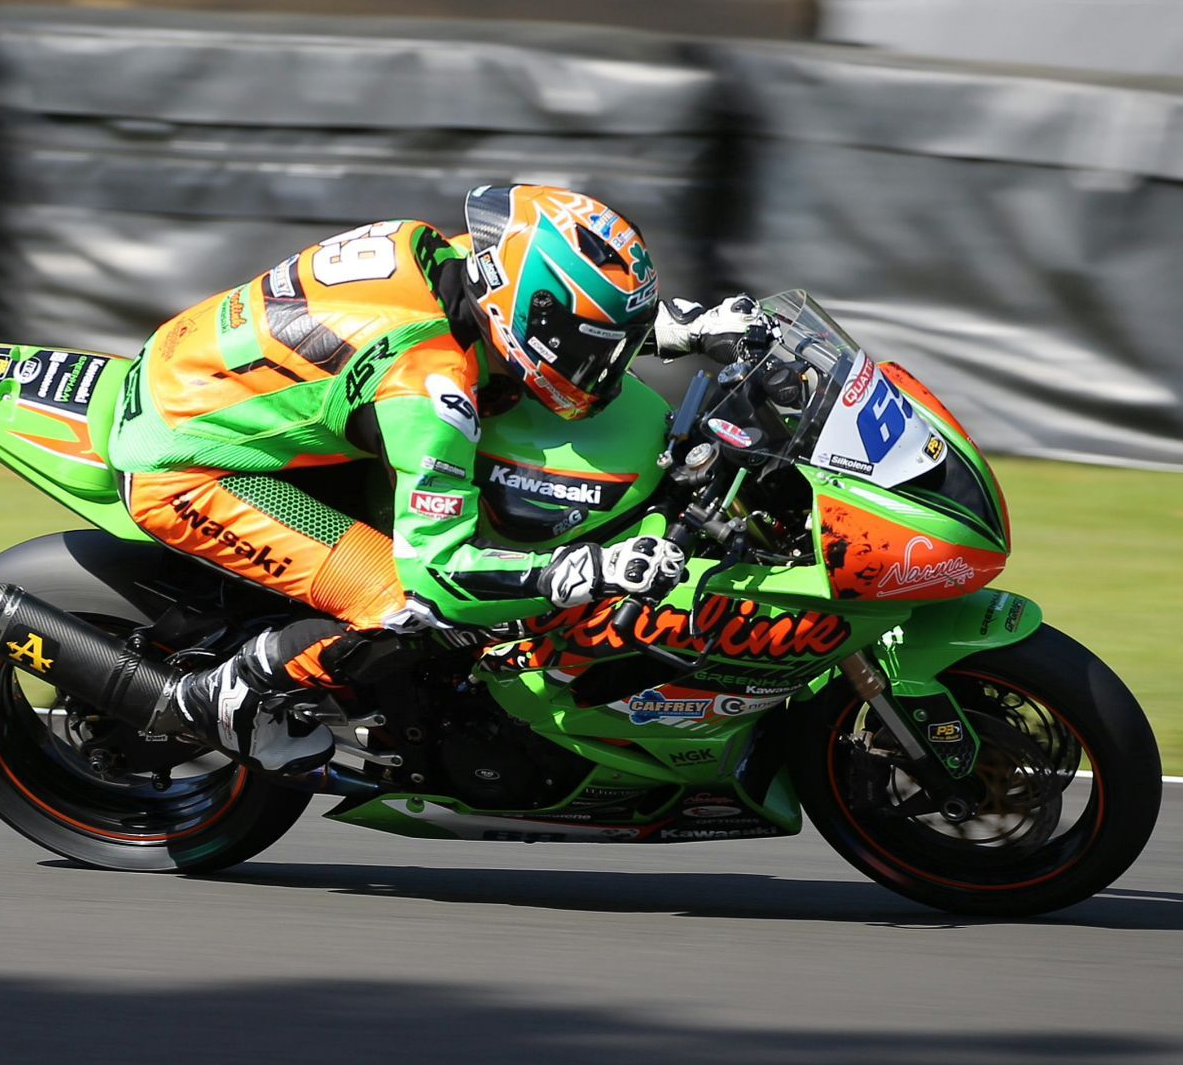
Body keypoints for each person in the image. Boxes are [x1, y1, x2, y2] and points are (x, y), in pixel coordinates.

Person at [109, 184, 762, 774]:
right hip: (188, 466)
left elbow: (544, 319)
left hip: (211, 379)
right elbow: (441, 576)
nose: (607, 371)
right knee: (402, 607)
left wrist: (687, 326)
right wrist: (583, 571)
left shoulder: (455, 260)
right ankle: (228, 698)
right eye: (599, 348)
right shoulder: (430, 391)